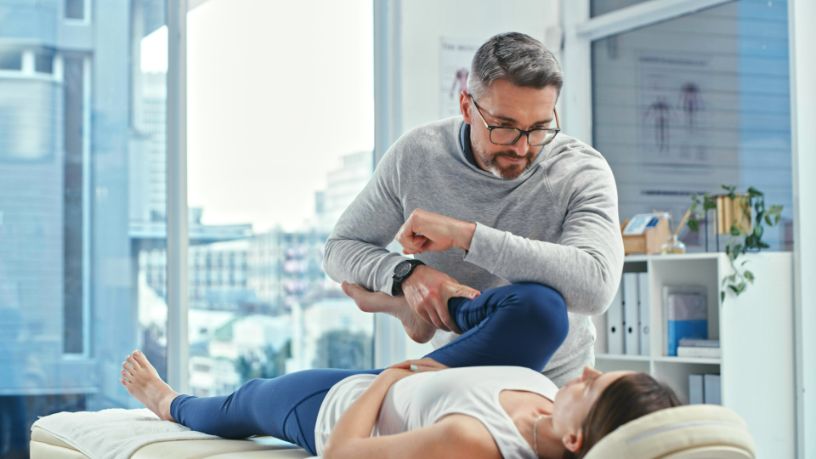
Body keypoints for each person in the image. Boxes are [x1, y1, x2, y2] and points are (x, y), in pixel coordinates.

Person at [323, 31, 624, 387]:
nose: (523, 148)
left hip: (556, 379)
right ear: (466, 106)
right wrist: (407, 275)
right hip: (459, 372)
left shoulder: (579, 171)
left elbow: (597, 285)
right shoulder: (418, 156)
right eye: (504, 127)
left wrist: (466, 236)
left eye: (540, 128)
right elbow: (339, 249)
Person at [121, 282, 680, 458]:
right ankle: (413, 302)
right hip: (423, 376)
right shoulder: (545, 401)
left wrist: (388, 378)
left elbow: (343, 453)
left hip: (340, 403)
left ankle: (166, 401)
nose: (583, 373)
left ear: (579, 436)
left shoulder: (477, 440)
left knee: (243, 402)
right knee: (540, 312)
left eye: (593, 385)